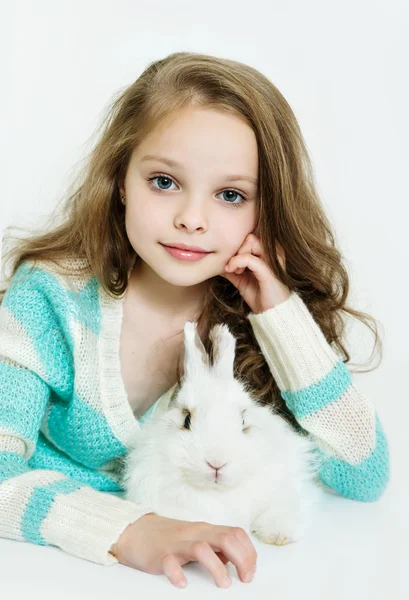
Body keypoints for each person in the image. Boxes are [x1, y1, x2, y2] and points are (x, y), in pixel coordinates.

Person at [0, 51, 389, 589]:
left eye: (230, 195)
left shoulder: (255, 324)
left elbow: (364, 472)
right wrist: (131, 530)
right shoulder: (49, 300)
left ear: (263, 210)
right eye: (164, 181)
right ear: (120, 180)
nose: (192, 218)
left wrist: (279, 315)